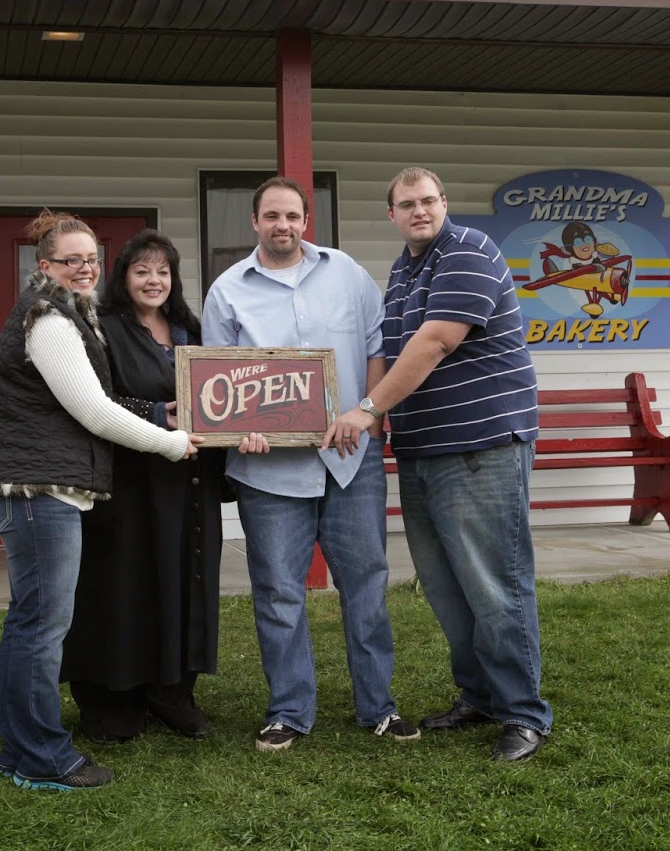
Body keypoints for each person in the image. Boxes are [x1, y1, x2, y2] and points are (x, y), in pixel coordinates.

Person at [323, 167, 552, 762]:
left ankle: (523, 713)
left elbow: (435, 342)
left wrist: (366, 411)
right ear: (392, 214)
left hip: (480, 446)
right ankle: (480, 696)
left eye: (428, 201)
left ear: (444, 203)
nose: (419, 211)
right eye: (407, 204)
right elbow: (387, 350)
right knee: (448, 588)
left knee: (494, 585)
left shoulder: (468, 250)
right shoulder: (403, 270)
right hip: (424, 450)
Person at [0, 211, 198, 792]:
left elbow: (96, 397)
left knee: (30, 621)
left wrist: (158, 413)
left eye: (92, 258)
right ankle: (40, 756)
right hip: (37, 491)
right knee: (42, 626)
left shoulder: (67, 314)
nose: (85, 268)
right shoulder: (48, 319)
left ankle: (18, 744)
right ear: (45, 265)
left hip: (37, 487)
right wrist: (171, 443)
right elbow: (93, 411)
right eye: (71, 260)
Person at [201, 176, 420, 752]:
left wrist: (370, 418)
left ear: (305, 220)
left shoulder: (346, 273)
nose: (284, 226)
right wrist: (239, 432)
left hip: (350, 462)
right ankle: (289, 711)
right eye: (272, 216)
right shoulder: (227, 292)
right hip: (269, 472)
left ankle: (379, 706)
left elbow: (376, 347)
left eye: (293, 216)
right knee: (278, 594)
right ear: (255, 221)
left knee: (366, 585)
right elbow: (217, 383)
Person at [61, 229, 224, 742]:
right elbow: (95, 400)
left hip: (189, 482)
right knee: (125, 583)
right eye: (142, 271)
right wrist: (155, 413)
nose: (154, 280)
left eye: (163, 271)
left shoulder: (189, 330)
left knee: (183, 581)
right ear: (123, 277)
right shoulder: (103, 329)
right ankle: (113, 699)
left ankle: (171, 692)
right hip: (128, 483)